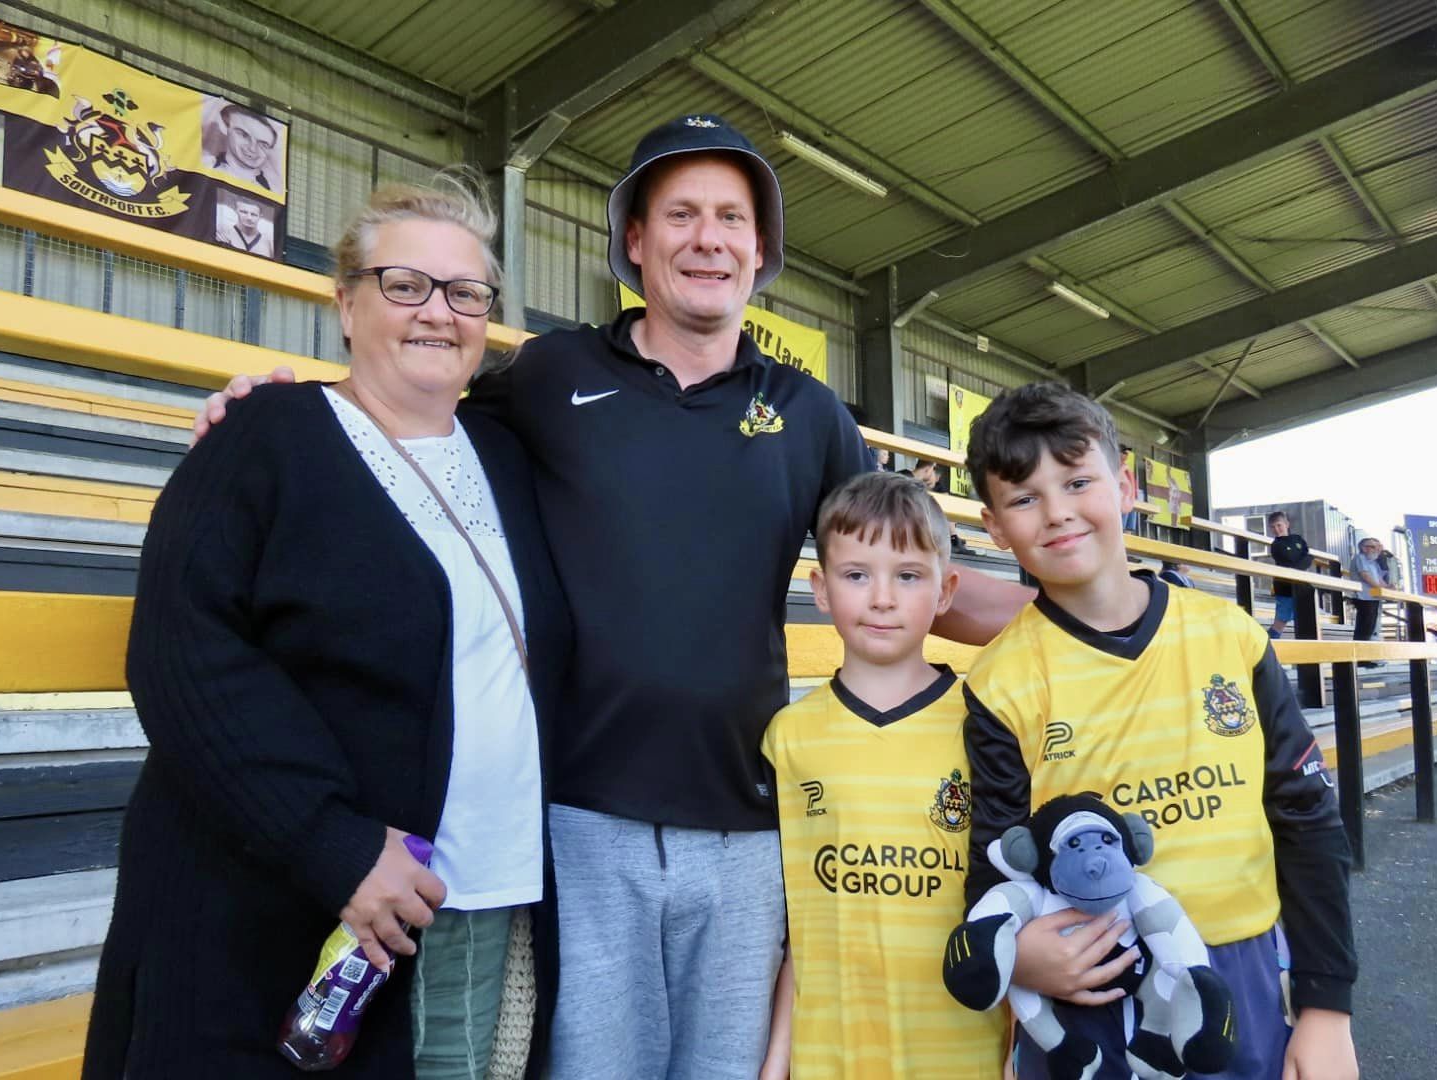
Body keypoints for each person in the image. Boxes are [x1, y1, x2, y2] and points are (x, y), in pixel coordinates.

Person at [192, 114, 1034, 1079]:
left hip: (751, 828)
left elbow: (930, 582)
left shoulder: (809, 414)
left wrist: (1077, 628)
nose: (706, 238)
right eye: (679, 214)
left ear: (761, 251)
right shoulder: (552, 375)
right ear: (635, 241)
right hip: (582, 824)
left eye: (731, 217)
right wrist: (281, 406)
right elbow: (404, 423)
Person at [85, 177, 570, 1078]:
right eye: (405, 285)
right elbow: (182, 657)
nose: (439, 312)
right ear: (345, 302)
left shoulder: (507, 455)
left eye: (466, 293)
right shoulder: (266, 435)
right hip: (281, 914)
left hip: (480, 906)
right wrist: (332, 843)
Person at [962, 383, 1357, 1080]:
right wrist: (1019, 952)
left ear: (1125, 485)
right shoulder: (1000, 682)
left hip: (1242, 975)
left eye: (1077, 481)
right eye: (1024, 499)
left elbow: (1308, 820)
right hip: (1091, 987)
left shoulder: (1229, 637)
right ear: (996, 528)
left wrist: (1327, 1007)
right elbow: (995, 856)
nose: (1056, 513)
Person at [759, 472, 1070, 1078]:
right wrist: (778, 1057)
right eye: (856, 575)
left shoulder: (988, 728)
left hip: (960, 1055)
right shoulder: (789, 737)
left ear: (946, 589)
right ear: (820, 589)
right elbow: (798, 925)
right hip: (832, 1057)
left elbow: (1015, 905)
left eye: (908, 575)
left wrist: (1017, 1048)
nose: (882, 598)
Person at [1267, 511, 1313, 640]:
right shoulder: (1276, 545)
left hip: (1302, 587)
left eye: (1279, 525)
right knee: (1280, 623)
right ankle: (1265, 650)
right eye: (1272, 527)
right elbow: (1289, 562)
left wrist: (1301, 563)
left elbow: (1308, 556)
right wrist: (1301, 563)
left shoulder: (1298, 539)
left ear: (1287, 524)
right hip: (1284, 588)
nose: (1276, 529)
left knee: (1307, 622)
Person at [214, 102, 281, 190]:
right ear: (225, 128)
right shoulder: (208, 168)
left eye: (263, 145)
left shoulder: (271, 188)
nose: (252, 149)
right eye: (244, 135)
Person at [1349, 536, 1386, 666]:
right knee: (1363, 628)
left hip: (1373, 597)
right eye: (1373, 547)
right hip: (1363, 597)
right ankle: (1360, 659)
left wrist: (1387, 588)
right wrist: (1379, 587)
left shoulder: (1373, 563)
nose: (1377, 550)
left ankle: (1365, 658)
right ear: (1364, 548)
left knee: (1370, 628)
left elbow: (1380, 580)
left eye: (1377, 547)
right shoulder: (1360, 558)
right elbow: (1365, 576)